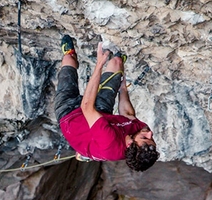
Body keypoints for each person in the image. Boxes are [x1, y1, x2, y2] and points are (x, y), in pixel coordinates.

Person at [55, 35, 159, 171]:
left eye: (145, 138)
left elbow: (86, 107)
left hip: (69, 114)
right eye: (152, 139)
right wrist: (122, 89)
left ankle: (69, 54)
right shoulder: (142, 133)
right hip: (101, 115)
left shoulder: (109, 143)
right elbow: (128, 115)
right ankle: (116, 53)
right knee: (117, 62)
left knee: (69, 60)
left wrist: (99, 64)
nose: (149, 134)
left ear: (129, 143)